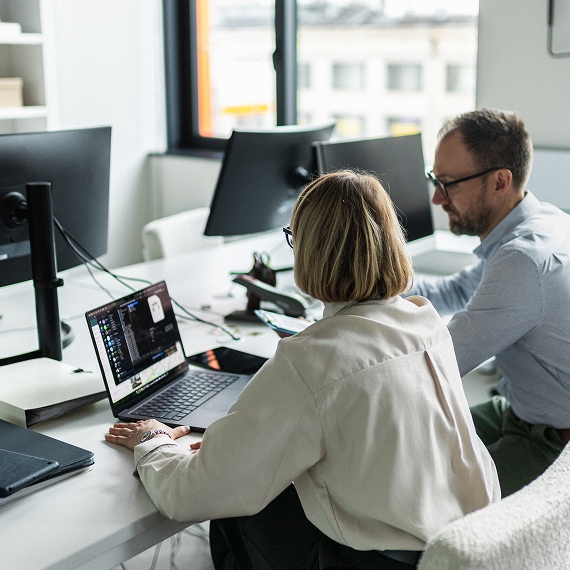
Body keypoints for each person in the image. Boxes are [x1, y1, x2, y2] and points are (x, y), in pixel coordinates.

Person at [106, 170, 499, 569]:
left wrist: (153, 440)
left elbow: (190, 495)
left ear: (309, 250)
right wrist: (241, 448)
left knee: (235, 507)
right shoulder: (424, 322)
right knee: (266, 478)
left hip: (381, 563)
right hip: (464, 547)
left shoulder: (311, 359)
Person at [408, 108, 570, 497]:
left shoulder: (523, 260)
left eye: (448, 183)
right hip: (522, 413)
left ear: (500, 181)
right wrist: (369, 278)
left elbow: (438, 363)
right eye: (435, 180)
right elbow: (451, 292)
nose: (436, 197)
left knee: (420, 493)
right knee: (415, 445)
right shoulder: (541, 222)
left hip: (554, 443)